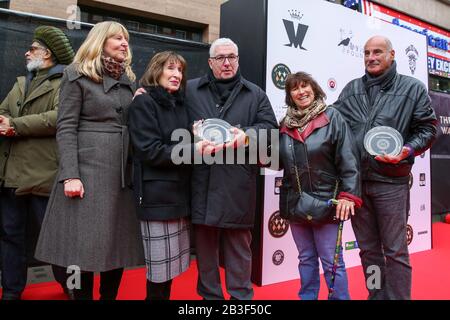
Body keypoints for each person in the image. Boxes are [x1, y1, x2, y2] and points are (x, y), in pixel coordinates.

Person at [35, 21, 144, 300]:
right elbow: (66, 127)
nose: (124, 43)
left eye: (126, 39)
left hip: (122, 175)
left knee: (115, 246)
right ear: (100, 41)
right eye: (117, 38)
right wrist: (70, 175)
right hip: (88, 173)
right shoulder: (76, 76)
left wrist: (143, 102)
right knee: (80, 247)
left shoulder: (129, 80)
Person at [333, 35, 437, 300]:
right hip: (357, 184)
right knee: (368, 251)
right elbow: (331, 122)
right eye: (367, 53)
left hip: (391, 183)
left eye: (377, 52)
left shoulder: (412, 88)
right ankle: (376, 294)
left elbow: (428, 128)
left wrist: (407, 150)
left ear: (392, 55)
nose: (371, 57)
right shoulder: (351, 89)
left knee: (395, 251)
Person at [185, 37, 278, 300]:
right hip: (202, 182)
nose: (227, 63)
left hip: (238, 183)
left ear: (238, 59)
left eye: (232, 57)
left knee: (239, 251)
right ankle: (210, 299)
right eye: (220, 58)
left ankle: (241, 299)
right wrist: (145, 94)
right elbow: (169, 114)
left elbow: (270, 130)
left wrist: (246, 135)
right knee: (205, 253)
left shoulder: (255, 94)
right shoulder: (190, 90)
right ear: (210, 62)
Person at [0, 25, 74, 300]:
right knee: (10, 237)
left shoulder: (67, 80)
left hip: (44, 177)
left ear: (47, 54)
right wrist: (4, 122)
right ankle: (11, 292)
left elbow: (59, 118)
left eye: (32, 48)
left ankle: (71, 287)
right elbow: (3, 112)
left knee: (54, 240)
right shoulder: (20, 82)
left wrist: (15, 126)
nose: (26, 51)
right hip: (11, 175)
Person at [278, 72, 362, 300]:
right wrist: (248, 143)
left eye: (305, 86)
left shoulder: (332, 117)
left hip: (328, 203)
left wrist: (348, 195)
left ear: (314, 89)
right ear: (290, 95)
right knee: (305, 258)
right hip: (296, 203)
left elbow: (349, 158)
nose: (301, 91)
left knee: (332, 261)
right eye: (294, 88)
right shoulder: (285, 124)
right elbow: (277, 160)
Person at [128, 51, 192, 300]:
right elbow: (148, 150)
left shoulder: (180, 103)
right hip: (156, 199)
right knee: (158, 275)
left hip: (179, 197)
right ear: (157, 70)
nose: (177, 75)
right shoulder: (143, 102)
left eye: (180, 71)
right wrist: (192, 149)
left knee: (168, 273)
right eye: (171, 68)